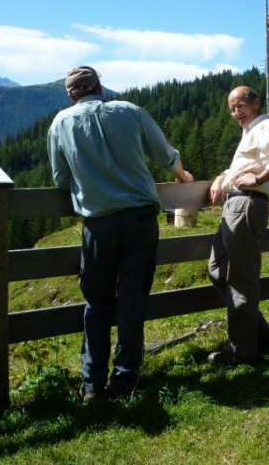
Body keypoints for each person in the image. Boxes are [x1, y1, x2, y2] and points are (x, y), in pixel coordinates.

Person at [47, 65, 194, 401]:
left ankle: (92, 386)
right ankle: (125, 383)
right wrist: (184, 179)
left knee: (97, 304)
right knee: (131, 303)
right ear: (100, 87)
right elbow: (164, 155)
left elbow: (60, 179)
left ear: (71, 95)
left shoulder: (60, 123)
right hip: (140, 222)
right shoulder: (130, 111)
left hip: (98, 226)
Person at [207, 86, 269, 365]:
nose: (237, 112)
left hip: (246, 205)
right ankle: (261, 333)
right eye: (232, 109)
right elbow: (244, 165)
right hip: (236, 205)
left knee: (242, 280)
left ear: (256, 103)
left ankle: (243, 351)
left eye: (241, 106)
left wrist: (259, 178)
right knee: (217, 269)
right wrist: (222, 177)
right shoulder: (251, 133)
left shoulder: (266, 126)